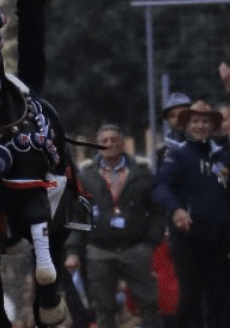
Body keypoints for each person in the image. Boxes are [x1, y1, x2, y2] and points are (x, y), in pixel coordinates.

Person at [64, 124, 166, 328]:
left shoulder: (142, 174)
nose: (109, 144)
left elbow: (158, 210)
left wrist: (151, 242)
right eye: (104, 141)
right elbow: (78, 217)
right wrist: (73, 251)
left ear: (122, 144)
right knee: (103, 306)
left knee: (149, 303)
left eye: (114, 140)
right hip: (99, 250)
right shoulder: (86, 177)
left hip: (136, 248)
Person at [154, 100, 230, 328]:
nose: (200, 126)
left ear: (212, 126)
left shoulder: (222, 156)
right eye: (195, 121)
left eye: (205, 121)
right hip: (189, 239)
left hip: (221, 240)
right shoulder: (178, 155)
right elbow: (160, 185)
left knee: (221, 298)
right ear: (186, 125)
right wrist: (176, 209)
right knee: (190, 297)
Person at [155, 92, 191, 168]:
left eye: (183, 114)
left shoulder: (207, 145)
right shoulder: (162, 153)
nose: (178, 119)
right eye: (172, 116)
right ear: (167, 119)